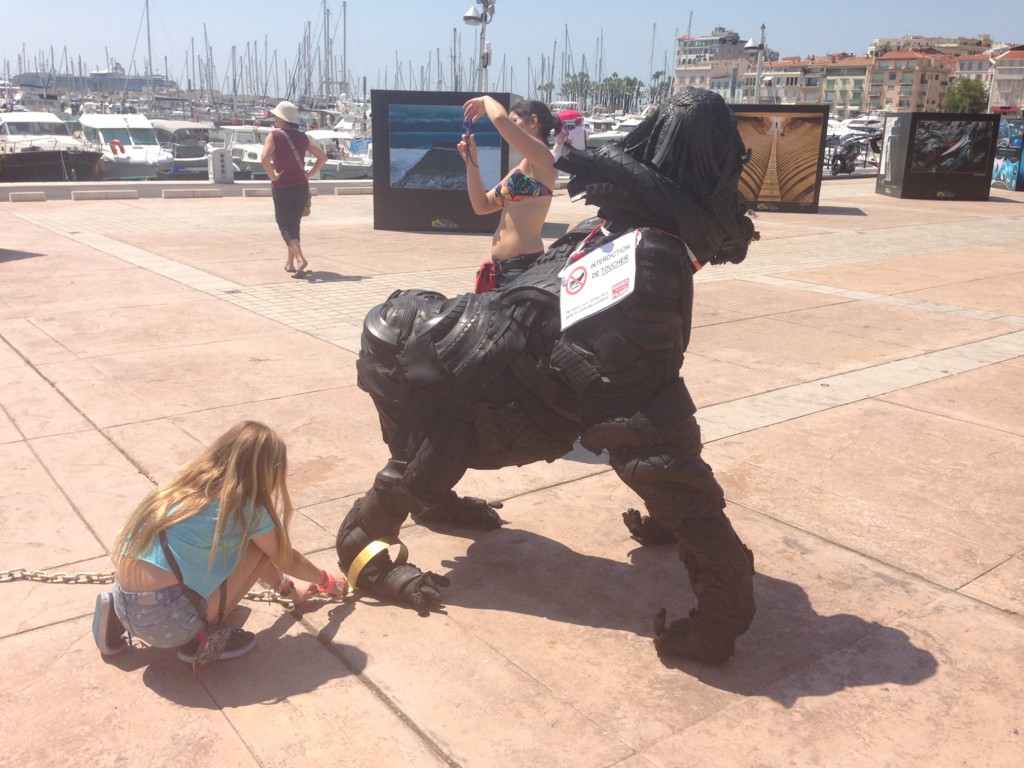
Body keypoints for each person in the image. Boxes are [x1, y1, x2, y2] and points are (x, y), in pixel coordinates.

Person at [93, 420, 349, 666]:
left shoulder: (182, 486)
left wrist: (290, 591)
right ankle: (198, 640)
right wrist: (326, 581)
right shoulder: (244, 507)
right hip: (167, 622)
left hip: (124, 600)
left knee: (242, 550)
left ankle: (115, 616)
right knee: (257, 548)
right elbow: (285, 558)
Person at [458, 97, 560, 290]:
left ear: (533, 121)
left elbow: (500, 120)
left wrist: (485, 100)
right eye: (511, 121)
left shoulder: (544, 158)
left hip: (523, 268)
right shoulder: (519, 171)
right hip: (502, 270)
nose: (510, 127)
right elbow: (481, 206)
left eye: (515, 121)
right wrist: (471, 162)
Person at [260, 100, 327, 279]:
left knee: (284, 225)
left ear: (281, 119)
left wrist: (273, 175)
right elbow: (323, 157)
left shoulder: (274, 136)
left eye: (276, 115)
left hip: (282, 187)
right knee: (294, 224)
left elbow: (264, 159)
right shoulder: (303, 137)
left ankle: (299, 259)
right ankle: (290, 263)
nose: (274, 118)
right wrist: (309, 173)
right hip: (301, 187)